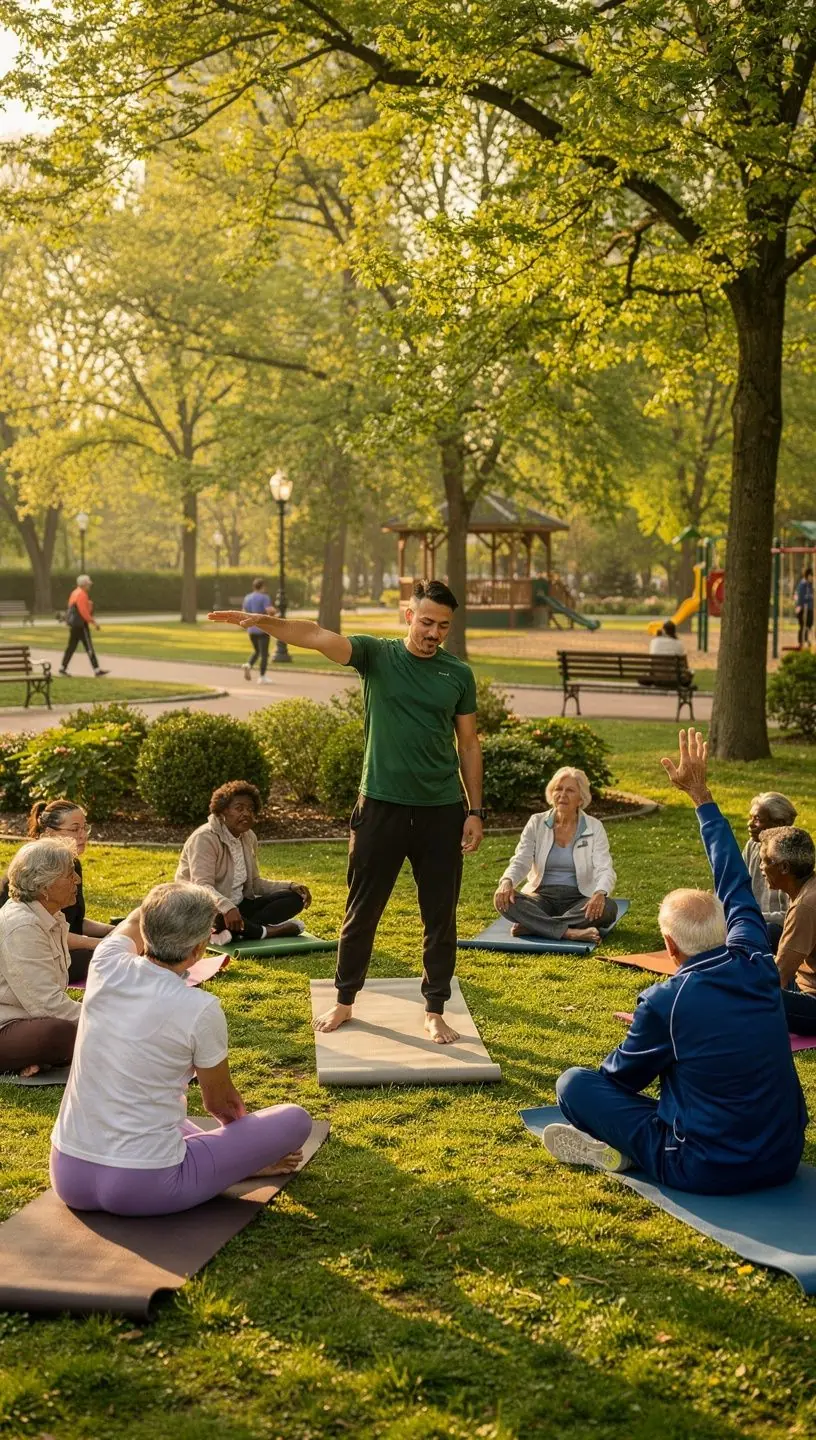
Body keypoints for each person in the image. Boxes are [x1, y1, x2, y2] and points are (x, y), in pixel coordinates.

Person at [209, 578, 484, 1045]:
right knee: (362, 910)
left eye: (443, 626)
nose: (433, 633)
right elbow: (316, 635)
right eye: (426, 622)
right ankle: (344, 999)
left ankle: (435, 1008)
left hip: (441, 810)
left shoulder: (457, 674)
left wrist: (475, 810)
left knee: (440, 916)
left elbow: (469, 742)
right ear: (408, 616)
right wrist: (263, 622)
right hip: (379, 807)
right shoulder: (377, 655)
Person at [542, 729, 806, 1194]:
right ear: (725, 929)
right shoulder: (758, 962)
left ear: (670, 945)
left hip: (703, 1167)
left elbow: (619, 1081)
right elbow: (733, 883)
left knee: (574, 1084)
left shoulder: (665, 1000)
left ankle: (629, 1152)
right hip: (783, 1156)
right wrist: (700, 795)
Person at [49, 882, 313, 1215]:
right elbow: (222, 1104)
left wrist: (167, 893)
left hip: (69, 1175)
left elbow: (136, 918)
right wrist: (246, 1152)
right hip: (147, 1184)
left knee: (170, 1112)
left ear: (147, 929)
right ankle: (230, 1166)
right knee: (295, 1120)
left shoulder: (106, 962)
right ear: (200, 948)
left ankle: (218, 1160)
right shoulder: (200, 1008)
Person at [175, 781, 311, 942]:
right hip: (203, 908)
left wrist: (291, 885)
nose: (246, 813)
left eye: (250, 809)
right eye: (239, 808)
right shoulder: (204, 838)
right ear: (222, 811)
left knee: (294, 898)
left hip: (239, 906)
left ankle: (235, 931)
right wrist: (227, 907)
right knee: (216, 917)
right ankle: (264, 931)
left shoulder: (248, 836)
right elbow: (201, 887)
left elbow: (255, 882)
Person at [493, 767, 617, 943]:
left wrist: (599, 892)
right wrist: (507, 881)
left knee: (609, 908)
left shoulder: (594, 826)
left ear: (581, 798)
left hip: (579, 898)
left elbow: (605, 868)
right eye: (558, 789)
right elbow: (521, 859)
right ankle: (569, 932)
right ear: (551, 793)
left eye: (570, 790)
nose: (562, 794)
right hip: (541, 897)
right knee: (504, 901)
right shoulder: (536, 822)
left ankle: (534, 926)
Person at [0, 800, 114, 984]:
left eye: (85, 828)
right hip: (29, 954)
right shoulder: (37, 867)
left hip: (57, 944)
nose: (83, 835)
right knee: (110, 956)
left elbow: (73, 921)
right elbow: (45, 933)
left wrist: (111, 930)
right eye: (74, 829)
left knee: (121, 938)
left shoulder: (71, 863)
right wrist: (99, 943)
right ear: (49, 833)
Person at [0, 839, 82, 1077]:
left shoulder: (49, 916)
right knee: (61, 1033)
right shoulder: (22, 926)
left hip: (24, 1019)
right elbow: (46, 1003)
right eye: (69, 874)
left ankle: (29, 1059)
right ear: (43, 885)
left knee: (71, 1029)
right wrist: (105, 1020)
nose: (76, 880)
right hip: (8, 1023)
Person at [759, 825, 816, 1037]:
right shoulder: (807, 887)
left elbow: (779, 976)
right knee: (766, 931)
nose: (761, 866)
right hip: (805, 979)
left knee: (754, 994)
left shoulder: (806, 905)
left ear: (784, 867)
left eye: (766, 860)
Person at [741, 792, 796, 952]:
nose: (750, 824)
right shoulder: (753, 845)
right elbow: (737, 883)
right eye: (750, 817)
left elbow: (792, 915)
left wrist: (752, 917)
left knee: (769, 931)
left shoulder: (792, 857)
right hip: (752, 922)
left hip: (779, 930)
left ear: (780, 823)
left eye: (757, 819)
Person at [59, 574, 108, 678]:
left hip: (74, 625)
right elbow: (84, 612)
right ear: (84, 584)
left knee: (71, 647)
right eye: (88, 583)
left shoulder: (74, 593)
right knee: (89, 647)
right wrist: (94, 622)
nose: (90, 585)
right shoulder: (82, 594)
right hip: (81, 625)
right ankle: (97, 670)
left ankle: (63, 667)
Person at [241, 578, 276, 685]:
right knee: (264, 654)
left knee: (257, 651)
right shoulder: (264, 597)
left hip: (251, 630)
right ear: (263, 586)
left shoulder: (247, 597)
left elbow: (243, 612)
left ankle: (248, 665)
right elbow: (270, 610)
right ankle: (262, 676)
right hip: (262, 629)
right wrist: (274, 614)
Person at [794, 566, 813, 648]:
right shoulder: (802, 584)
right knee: (802, 625)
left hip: (809, 608)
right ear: (807, 576)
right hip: (802, 608)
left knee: (809, 624)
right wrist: (799, 606)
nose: (812, 578)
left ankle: (806, 639)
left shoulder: (810, 585)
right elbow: (800, 596)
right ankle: (801, 641)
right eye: (811, 576)